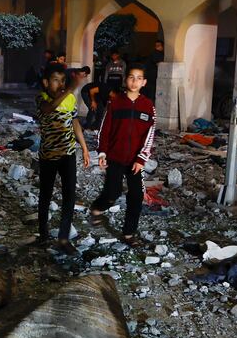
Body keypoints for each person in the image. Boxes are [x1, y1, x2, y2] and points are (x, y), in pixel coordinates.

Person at [91, 64, 156, 247]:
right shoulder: (115, 103)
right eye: (131, 77)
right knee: (113, 192)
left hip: (135, 160)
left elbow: (150, 135)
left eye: (138, 78)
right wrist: (102, 152)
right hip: (115, 157)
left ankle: (128, 234)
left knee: (136, 195)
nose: (134, 81)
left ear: (143, 82)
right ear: (126, 80)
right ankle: (97, 208)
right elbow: (105, 129)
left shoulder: (148, 106)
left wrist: (142, 158)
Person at [36, 63, 90, 254]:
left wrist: (83, 148)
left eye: (63, 81)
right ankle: (43, 234)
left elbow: (75, 123)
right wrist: (69, 88)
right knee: (45, 195)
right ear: (46, 82)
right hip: (48, 156)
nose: (60, 84)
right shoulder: (41, 98)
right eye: (55, 80)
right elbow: (49, 109)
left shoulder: (69, 98)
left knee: (69, 196)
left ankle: (64, 238)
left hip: (68, 154)